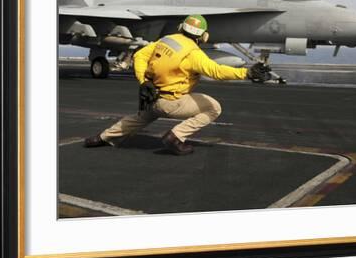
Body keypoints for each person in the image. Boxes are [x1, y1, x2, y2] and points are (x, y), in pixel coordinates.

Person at [84, 14, 272, 155]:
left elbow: (140, 55)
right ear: (203, 36)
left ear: (182, 27)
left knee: (139, 118)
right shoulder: (193, 53)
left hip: (150, 97)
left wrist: (144, 82)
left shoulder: (166, 40)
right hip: (171, 102)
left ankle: (101, 138)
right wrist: (246, 72)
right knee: (214, 108)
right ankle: (176, 136)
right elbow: (216, 71)